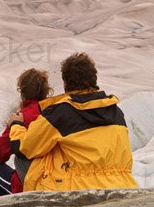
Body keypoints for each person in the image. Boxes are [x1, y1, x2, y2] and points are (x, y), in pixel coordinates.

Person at [8, 53, 138, 191]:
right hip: (123, 186)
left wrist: (17, 125)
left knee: (22, 160)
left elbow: (24, 147)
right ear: (94, 79)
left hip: (78, 189)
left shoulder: (62, 112)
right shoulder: (116, 112)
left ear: (65, 83)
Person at [0, 68, 53, 195]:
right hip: (56, 179)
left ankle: (7, 206)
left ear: (22, 92)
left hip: (28, 185)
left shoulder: (21, 118)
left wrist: (12, 126)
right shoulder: (55, 112)